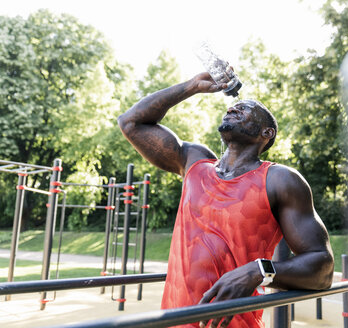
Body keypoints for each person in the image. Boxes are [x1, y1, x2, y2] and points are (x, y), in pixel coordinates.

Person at [118, 72, 334, 328]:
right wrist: (192, 86)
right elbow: (131, 122)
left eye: (245, 109)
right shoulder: (194, 161)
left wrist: (259, 271)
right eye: (233, 106)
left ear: (267, 132)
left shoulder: (279, 179)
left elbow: (322, 268)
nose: (233, 107)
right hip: (174, 321)